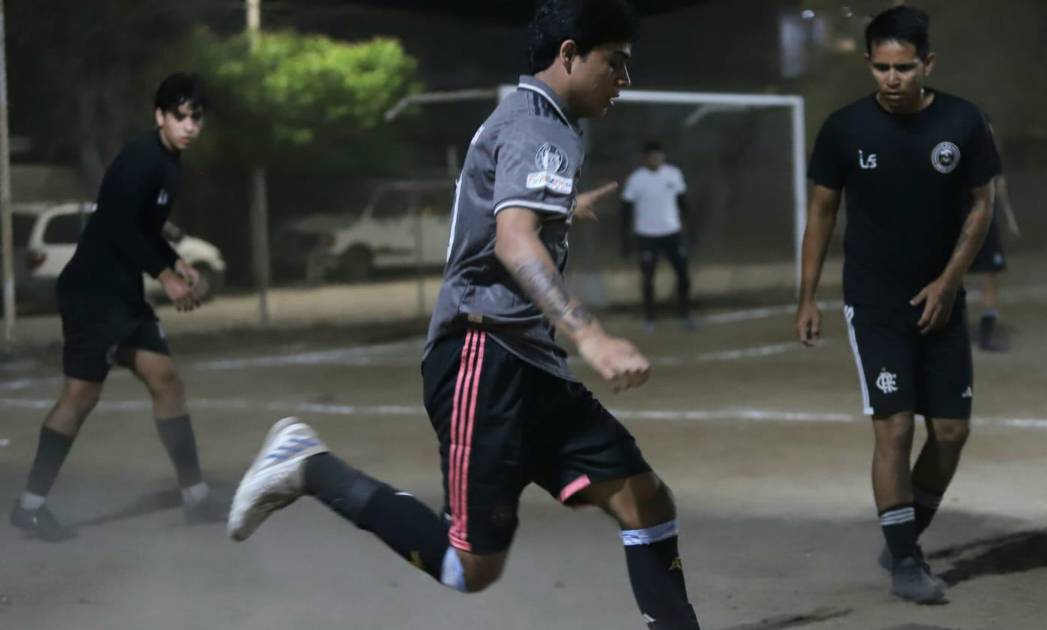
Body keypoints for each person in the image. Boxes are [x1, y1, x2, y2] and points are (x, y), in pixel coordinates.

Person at [227, 2, 701, 628]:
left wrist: (561, 207)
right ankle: (307, 466)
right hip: (485, 359)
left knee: (646, 499)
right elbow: (513, 240)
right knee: (467, 566)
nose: (624, 79)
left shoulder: (538, 119)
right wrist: (591, 335)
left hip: (528, 364)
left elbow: (508, 215)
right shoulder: (538, 127)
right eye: (614, 64)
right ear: (569, 55)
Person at [794, 5, 1000, 604]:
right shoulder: (844, 128)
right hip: (875, 302)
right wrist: (807, 297)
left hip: (942, 302)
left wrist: (948, 281)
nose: (892, 79)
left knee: (952, 432)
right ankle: (907, 562)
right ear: (869, 63)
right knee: (895, 426)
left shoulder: (963, 121)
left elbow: (981, 205)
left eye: (904, 68)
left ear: (926, 64)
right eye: (881, 67)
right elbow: (821, 213)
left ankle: (903, 534)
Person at [11, 73, 219, 542]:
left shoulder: (171, 163)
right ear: (160, 116)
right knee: (80, 396)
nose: (189, 126)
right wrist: (165, 276)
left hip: (122, 296)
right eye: (180, 116)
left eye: (196, 118)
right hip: (93, 294)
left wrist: (175, 260)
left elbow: (144, 231)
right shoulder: (140, 159)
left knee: (166, 380)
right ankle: (30, 506)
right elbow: (120, 226)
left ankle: (196, 497)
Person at [621, 141, 694, 331]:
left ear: (663, 156)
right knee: (648, 277)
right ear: (645, 158)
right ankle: (650, 317)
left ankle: (685, 313)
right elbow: (626, 209)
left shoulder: (673, 174)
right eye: (651, 156)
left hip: (672, 233)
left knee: (683, 273)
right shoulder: (636, 179)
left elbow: (683, 202)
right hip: (647, 235)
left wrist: (691, 230)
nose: (655, 159)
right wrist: (625, 239)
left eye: (658, 155)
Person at [968, 121, 1021, 351]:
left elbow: (1001, 189)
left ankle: (983, 334)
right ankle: (980, 336)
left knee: (985, 278)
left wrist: (1010, 219)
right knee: (980, 280)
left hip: (977, 226)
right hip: (974, 225)